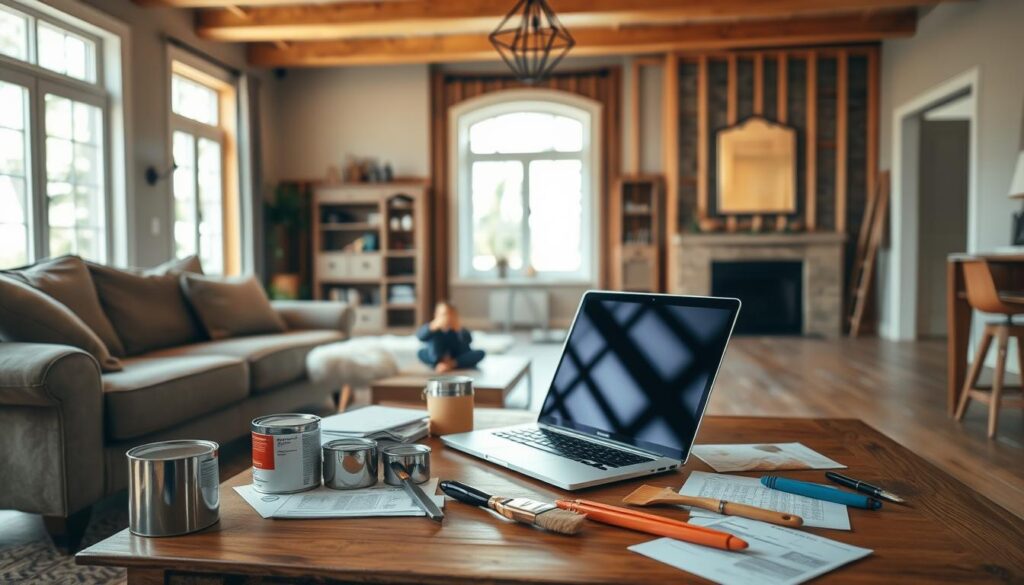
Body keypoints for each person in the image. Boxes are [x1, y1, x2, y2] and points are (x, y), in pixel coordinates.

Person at [416, 301, 485, 373]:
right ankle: (439, 363)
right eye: (443, 314)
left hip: (456, 356)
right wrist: (432, 327)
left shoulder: (459, 329)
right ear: (436, 315)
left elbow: (468, 341)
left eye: (450, 314)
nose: (446, 317)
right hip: (436, 356)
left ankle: (451, 364)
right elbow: (420, 337)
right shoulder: (432, 327)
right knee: (421, 352)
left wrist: (459, 330)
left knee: (480, 353)